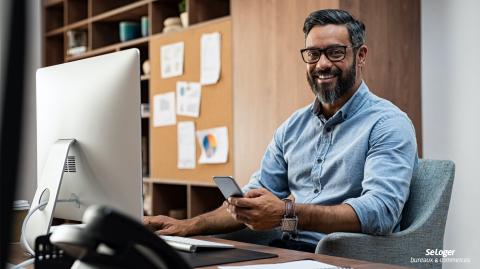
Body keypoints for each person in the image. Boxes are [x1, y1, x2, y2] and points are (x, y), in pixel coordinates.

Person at [144, 9, 418, 253]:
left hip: (340, 256)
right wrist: (186, 226)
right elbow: (253, 197)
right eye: (313, 54)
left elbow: (381, 213)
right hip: (286, 252)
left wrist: (287, 211)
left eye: (335, 52)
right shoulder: (292, 127)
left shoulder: (388, 123)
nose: (322, 64)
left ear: (361, 56)